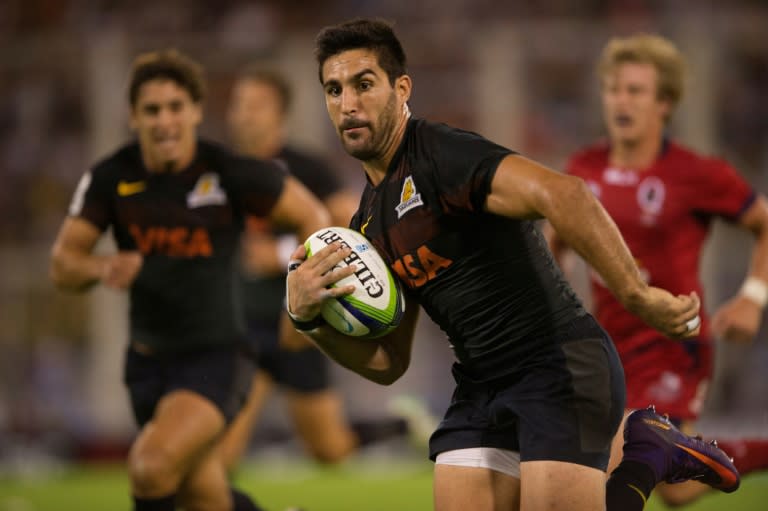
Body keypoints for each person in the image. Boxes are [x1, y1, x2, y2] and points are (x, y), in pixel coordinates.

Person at [284, 18, 740, 511]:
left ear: (402, 89)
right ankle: (648, 449)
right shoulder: (368, 224)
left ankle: (643, 458)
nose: (347, 104)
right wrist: (308, 319)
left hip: (558, 365)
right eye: (333, 90)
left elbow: (564, 193)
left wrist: (636, 295)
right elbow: (390, 362)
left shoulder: (443, 155)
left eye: (363, 84)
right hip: (480, 386)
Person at [49, 49, 330, 511]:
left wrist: (301, 300)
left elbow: (313, 217)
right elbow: (64, 264)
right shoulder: (112, 177)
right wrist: (101, 267)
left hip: (216, 358)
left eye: (176, 107)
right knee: (201, 495)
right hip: (144, 364)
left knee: (151, 466)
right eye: (152, 110)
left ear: (196, 111)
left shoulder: (227, 171)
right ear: (133, 116)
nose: (165, 121)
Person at [547, 33, 768, 507]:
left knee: (611, 466)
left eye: (635, 90)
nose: (621, 101)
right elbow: (553, 246)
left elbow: (764, 223)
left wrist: (754, 294)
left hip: (674, 342)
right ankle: (757, 451)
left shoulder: (696, 173)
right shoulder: (583, 169)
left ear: (664, 103)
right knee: (677, 487)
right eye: (614, 89)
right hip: (609, 344)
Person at [219, 66, 410, 470]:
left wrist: (279, 255)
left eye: (256, 105)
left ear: (279, 114)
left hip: (297, 323)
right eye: (239, 104)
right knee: (222, 455)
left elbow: (348, 226)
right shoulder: (219, 172)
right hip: (242, 327)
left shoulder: (305, 169)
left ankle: (399, 430)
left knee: (329, 449)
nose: (244, 114)